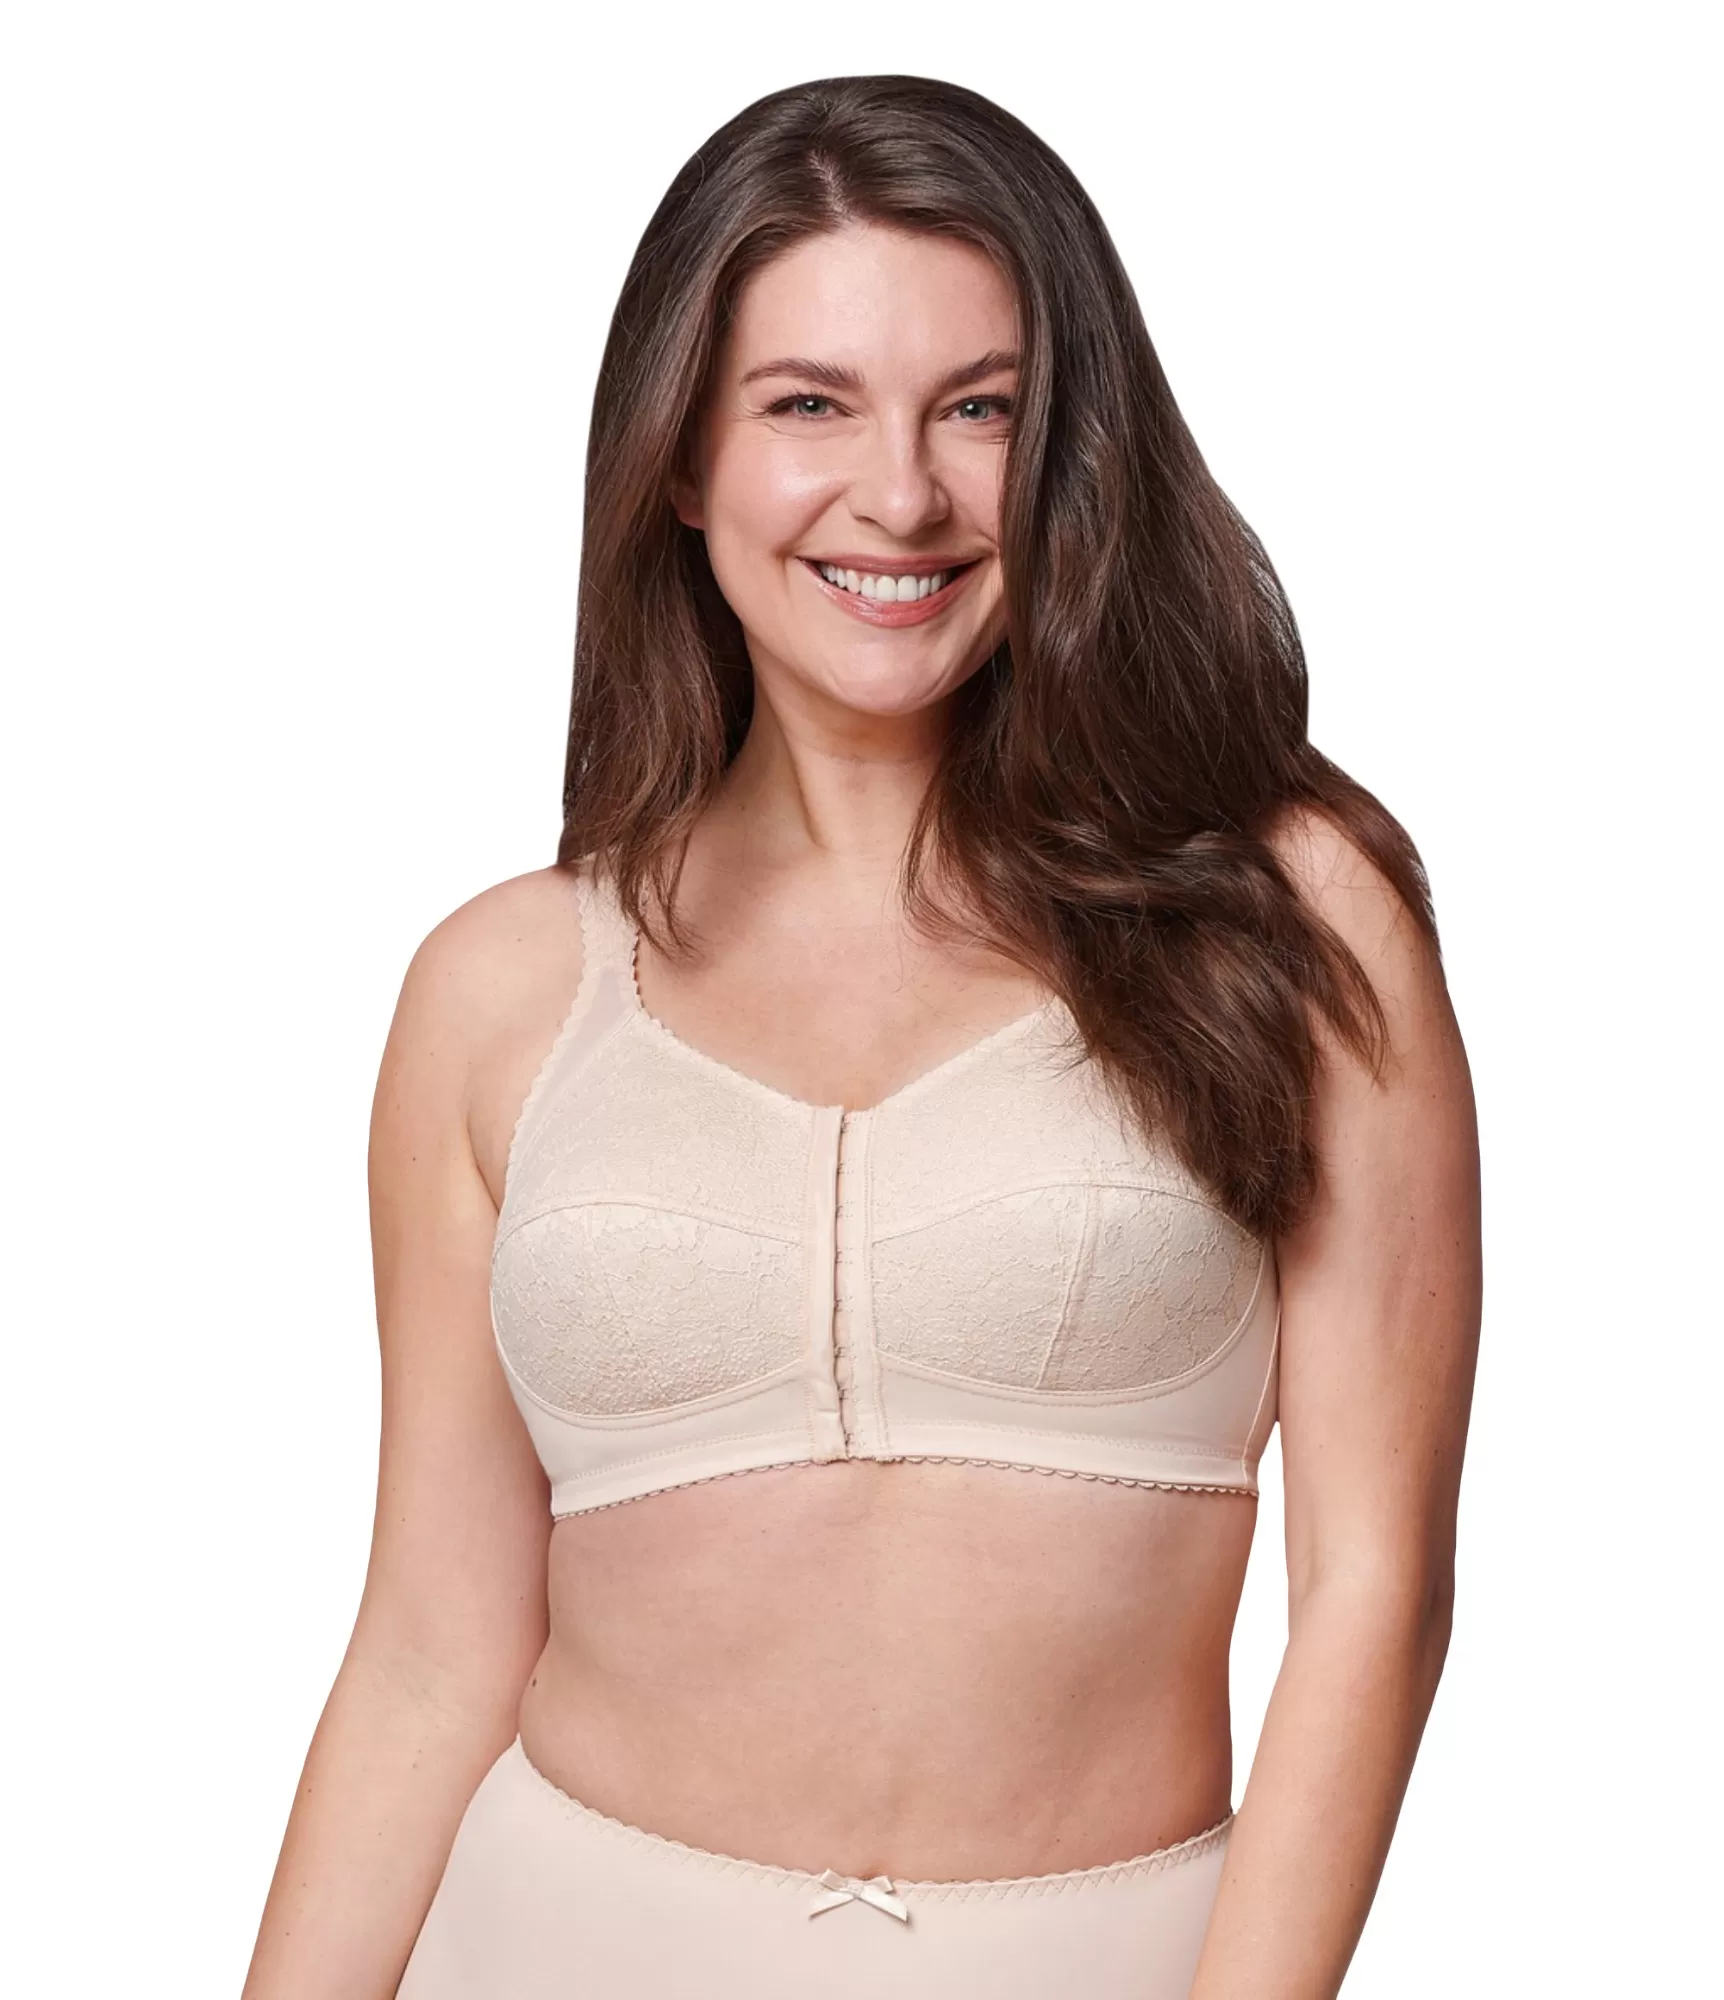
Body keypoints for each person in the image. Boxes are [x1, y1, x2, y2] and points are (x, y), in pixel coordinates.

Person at [243, 72, 1481, 2000]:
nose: (898, 495)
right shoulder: (499, 991)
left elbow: (1372, 1595)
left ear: (1068, 454)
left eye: (979, 409)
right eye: (807, 404)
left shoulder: (1290, 918)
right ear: (680, 459)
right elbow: (427, 1647)